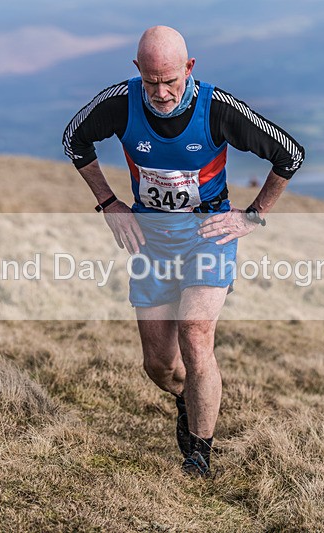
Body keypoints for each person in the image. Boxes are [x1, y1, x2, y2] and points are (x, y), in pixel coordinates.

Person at [62, 26, 305, 477]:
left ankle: (200, 453)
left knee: (196, 334)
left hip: (207, 235)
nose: (161, 91)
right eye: (151, 80)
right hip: (151, 240)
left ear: (189, 68)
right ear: (138, 70)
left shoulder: (216, 108)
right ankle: (185, 400)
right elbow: (73, 140)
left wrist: (252, 215)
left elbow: (290, 154)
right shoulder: (121, 101)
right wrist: (110, 203)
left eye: (170, 79)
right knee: (159, 364)